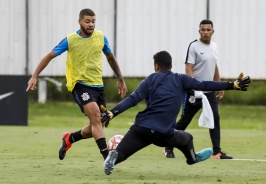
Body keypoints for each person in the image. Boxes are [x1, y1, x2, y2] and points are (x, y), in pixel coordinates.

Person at [100, 51, 250, 175]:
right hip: (164, 133)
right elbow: (205, 84)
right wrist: (232, 85)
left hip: (141, 129)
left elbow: (133, 99)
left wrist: (113, 112)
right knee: (187, 138)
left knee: (122, 154)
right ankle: (192, 158)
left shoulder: (150, 79)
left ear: (156, 66)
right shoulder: (181, 79)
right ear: (171, 65)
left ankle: (114, 156)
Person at [26, 8, 127, 161]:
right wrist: (34, 76)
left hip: (98, 86)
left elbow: (111, 58)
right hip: (79, 85)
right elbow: (49, 56)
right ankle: (107, 158)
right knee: (94, 114)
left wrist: (120, 79)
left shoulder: (101, 37)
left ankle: (69, 139)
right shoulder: (70, 40)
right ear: (79, 21)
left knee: (96, 124)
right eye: (87, 21)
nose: (91, 24)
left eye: (93, 21)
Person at [164, 19, 233, 159]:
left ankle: (217, 152)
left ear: (213, 32)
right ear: (199, 31)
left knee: (215, 118)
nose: (206, 32)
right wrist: (195, 87)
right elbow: (188, 68)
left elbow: (214, 67)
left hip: (209, 91)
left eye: (208, 30)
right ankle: (168, 146)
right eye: (203, 30)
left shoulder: (214, 46)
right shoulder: (194, 46)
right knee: (185, 120)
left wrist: (219, 86)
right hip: (194, 91)